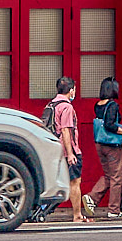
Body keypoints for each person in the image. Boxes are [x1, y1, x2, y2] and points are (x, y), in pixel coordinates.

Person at [45, 67, 89, 219]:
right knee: (75, 182)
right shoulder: (66, 107)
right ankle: (77, 215)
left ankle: (41, 210)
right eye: (74, 89)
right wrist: (71, 154)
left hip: (53, 149)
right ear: (71, 90)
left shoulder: (51, 105)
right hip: (67, 150)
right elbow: (66, 131)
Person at [91, 72, 122, 211]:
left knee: (109, 175)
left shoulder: (98, 104)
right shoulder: (112, 105)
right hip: (111, 145)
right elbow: (110, 125)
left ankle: (92, 198)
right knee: (117, 177)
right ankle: (114, 209)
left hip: (99, 143)